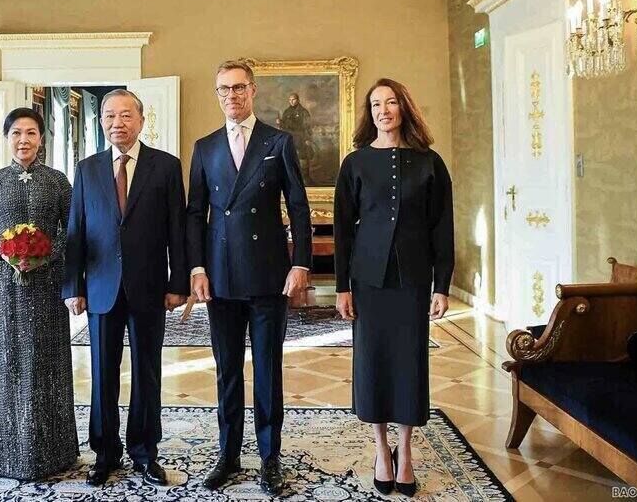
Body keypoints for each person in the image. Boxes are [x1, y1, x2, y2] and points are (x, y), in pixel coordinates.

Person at [187, 60, 312, 497]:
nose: (231, 96)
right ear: (217, 94)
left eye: (238, 88)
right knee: (226, 371)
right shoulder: (204, 148)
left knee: (267, 369)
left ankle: (269, 456)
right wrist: (197, 268)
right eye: (223, 89)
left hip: (268, 274)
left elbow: (298, 205)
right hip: (219, 277)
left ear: (253, 91)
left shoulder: (279, 141)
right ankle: (228, 453)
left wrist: (301, 263)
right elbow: (194, 214)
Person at [63, 90, 190, 488]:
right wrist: (73, 286)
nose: (117, 122)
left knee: (148, 374)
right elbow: (76, 232)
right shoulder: (86, 170)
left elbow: (177, 231)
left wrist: (178, 283)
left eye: (125, 115)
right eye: (109, 115)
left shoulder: (166, 167)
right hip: (100, 288)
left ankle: (145, 452)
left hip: (150, 287)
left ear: (141, 119)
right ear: (101, 121)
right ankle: (105, 453)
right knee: (102, 374)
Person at [333, 78, 453, 497]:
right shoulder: (356, 163)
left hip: (414, 279)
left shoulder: (430, 162)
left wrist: (443, 284)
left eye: (391, 102)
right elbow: (344, 230)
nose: (383, 110)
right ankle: (382, 450)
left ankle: (406, 450)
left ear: (404, 107)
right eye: (376, 104)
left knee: (409, 363)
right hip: (368, 280)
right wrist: (342, 287)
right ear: (370, 113)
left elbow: (443, 227)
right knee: (373, 362)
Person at [0, 107, 79, 480]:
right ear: (7, 138)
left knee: (45, 362)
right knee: (5, 362)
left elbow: (71, 228)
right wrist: (5, 250)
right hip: (3, 284)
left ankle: (53, 451)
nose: (23, 140)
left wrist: (46, 252)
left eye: (30, 133)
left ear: (41, 139)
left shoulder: (59, 181)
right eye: (16, 133)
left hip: (48, 285)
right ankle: (2, 451)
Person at [279, 92, 313, 180]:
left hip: (301, 138)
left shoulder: (303, 112)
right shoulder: (287, 112)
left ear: (298, 100)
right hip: (289, 138)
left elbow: (308, 127)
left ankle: (305, 178)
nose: (291, 102)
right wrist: (280, 122)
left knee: (303, 157)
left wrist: (307, 139)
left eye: (293, 99)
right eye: (290, 100)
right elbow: (284, 126)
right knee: (289, 156)